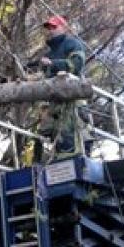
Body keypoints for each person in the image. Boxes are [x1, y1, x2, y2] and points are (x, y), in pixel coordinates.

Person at [37, 14, 88, 158]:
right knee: (53, 136)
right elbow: (44, 77)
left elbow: (76, 65)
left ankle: (75, 158)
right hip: (54, 105)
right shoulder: (49, 53)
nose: (50, 30)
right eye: (48, 28)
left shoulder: (73, 44)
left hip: (72, 101)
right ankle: (57, 159)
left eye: (54, 27)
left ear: (64, 28)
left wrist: (53, 64)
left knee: (72, 137)